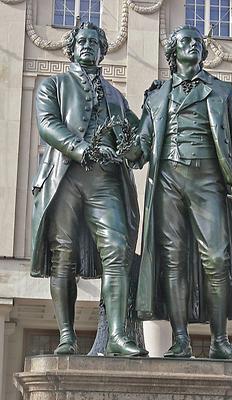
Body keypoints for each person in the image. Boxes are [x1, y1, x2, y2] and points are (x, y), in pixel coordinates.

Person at [135, 25, 232, 362]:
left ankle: (220, 340)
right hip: (167, 179)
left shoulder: (223, 91)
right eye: (185, 41)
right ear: (173, 52)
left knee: (216, 258)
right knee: (173, 262)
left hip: (208, 178)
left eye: (197, 42)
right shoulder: (156, 96)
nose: (193, 45)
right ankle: (180, 340)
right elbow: (141, 145)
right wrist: (123, 148)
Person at [31, 22, 147, 357]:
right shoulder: (52, 85)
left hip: (106, 181)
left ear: (102, 50)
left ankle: (117, 336)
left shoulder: (115, 95)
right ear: (71, 48)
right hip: (65, 177)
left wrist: (143, 136)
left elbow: (136, 135)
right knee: (63, 257)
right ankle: (66, 335)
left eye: (94, 42)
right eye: (81, 41)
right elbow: (48, 125)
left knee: (117, 252)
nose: (87, 46)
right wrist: (82, 149)